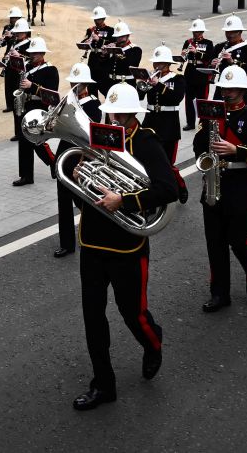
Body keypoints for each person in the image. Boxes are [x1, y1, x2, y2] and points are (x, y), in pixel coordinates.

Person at [71, 83, 178, 411]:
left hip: (127, 245)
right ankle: (103, 384)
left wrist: (125, 200)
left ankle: (153, 342)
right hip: (91, 241)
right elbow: (85, 193)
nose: (114, 118)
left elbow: (169, 189)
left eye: (120, 114)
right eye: (111, 112)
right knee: (92, 316)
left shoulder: (146, 142)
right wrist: (77, 178)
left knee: (133, 313)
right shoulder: (99, 137)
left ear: (133, 115)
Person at [193, 66, 247, 313]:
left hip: (243, 187)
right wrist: (204, 128)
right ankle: (219, 293)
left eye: (233, 88)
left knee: (238, 241)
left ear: (243, 90)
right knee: (214, 244)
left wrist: (236, 150)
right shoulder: (213, 116)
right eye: (225, 88)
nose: (228, 92)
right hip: (215, 185)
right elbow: (198, 148)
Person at [53, 64, 100, 258]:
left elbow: (91, 134)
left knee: (83, 199)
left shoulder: (94, 105)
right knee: (63, 201)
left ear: (86, 84)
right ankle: (67, 243)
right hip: (66, 152)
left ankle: (96, 230)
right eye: (73, 82)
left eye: (78, 83)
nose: (74, 85)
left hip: (81, 154)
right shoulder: (68, 101)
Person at [141, 45, 189, 204]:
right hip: (150, 122)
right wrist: (142, 83)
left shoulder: (178, 79)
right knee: (147, 160)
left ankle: (180, 185)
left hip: (168, 125)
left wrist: (158, 85)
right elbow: (140, 95)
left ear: (168, 64)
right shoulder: (152, 77)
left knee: (167, 163)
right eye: (155, 62)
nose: (156, 66)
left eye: (160, 63)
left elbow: (176, 98)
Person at [15, 37, 60, 187]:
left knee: (36, 140)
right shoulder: (27, 67)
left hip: (40, 107)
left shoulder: (50, 69)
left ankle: (53, 161)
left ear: (42, 53)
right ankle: (26, 175)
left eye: (35, 53)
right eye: (31, 52)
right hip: (26, 105)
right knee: (24, 140)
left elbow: (52, 93)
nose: (32, 55)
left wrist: (32, 86)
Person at [180, 19, 216, 131]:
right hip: (190, 72)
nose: (196, 34)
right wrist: (183, 55)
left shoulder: (208, 43)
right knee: (189, 100)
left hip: (202, 73)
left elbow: (209, 58)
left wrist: (197, 52)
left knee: (202, 100)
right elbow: (183, 57)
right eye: (194, 31)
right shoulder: (188, 42)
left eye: (198, 31)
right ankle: (190, 122)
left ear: (202, 31)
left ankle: (203, 123)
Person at [211, 14, 247, 96]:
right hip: (222, 85)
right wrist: (212, 65)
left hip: (239, 86)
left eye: (232, 32)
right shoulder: (219, 47)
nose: (229, 35)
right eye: (227, 32)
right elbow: (209, 65)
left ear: (240, 32)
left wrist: (233, 62)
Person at [82, 6, 115, 98]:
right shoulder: (91, 30)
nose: (96, 21)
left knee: (106, 88)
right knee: (92, 88)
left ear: (103, 18)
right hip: (93, 60)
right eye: (95, 19)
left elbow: (113, 43)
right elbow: (83, 42)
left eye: (98, 19)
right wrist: (87, 41)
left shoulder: (110, 30)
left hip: (104, 60)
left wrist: (99, 40)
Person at [104, 21, 143, 90]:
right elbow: (105, 66)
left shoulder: (136, 49)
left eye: (122, 36)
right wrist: (104, 54)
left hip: (127, 84)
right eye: (117, 37)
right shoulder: (113, 48)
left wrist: (116, 52)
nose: (119, 39)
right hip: (111, 84)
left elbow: (130, 65)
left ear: (128, 35)